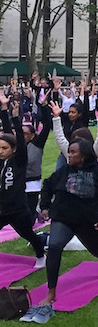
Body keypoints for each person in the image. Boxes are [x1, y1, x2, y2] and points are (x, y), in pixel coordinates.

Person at [38, 138, 98, 318]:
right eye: (69, 151)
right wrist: (45, 206)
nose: (69, 154)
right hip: (63, 219)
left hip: (88, 222)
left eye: (73, 152)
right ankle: (51, 291)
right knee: (54, 246)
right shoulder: (63, 172)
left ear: (83, 156)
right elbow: (47, 185)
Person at [0, 94, 46, 268]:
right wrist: (3, 109)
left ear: (13, 149)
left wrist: (13, 117)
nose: (1, 151)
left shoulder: (19, 160)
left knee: (28, 234)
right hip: (2, 209)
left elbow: (16, 136)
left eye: (5, 148)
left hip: (18, 210)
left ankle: (41, 256)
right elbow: (5, 133)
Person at [21, 100, 52, 222]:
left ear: (32, 135)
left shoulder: (37, 144)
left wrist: (44, 107)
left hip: (33, 182)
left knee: (29, 216)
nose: (22, 136)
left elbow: (47, 126)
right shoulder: (17, 145)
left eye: (25, 134)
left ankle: (36, 214)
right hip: (20, 181)